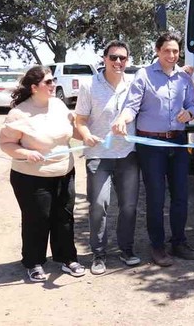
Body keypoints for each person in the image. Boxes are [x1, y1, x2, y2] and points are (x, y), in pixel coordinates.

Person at [112, 32, 194, 267]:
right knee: (156, 196)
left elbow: (192, 104)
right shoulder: (144, 75)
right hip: (151, 145)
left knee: (180, 195)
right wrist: (122, 119)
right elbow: (131, 106)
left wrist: (189, 113)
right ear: (157, 51)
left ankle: (179, 242)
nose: (172, 55)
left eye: (175, 51)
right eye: (167, 50)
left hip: (178, 142)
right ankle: (158, 246)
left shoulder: (184, 78)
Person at [0, 66, 85, 281]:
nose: (53, 85)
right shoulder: (19, 113)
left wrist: (88, 136)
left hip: (64, 172)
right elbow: (5, 143)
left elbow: (72, 130)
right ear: (34, 88)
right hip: (31, 178)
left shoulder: (58, 105)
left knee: (64, 217)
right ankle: (33, 262)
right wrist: (26, 153)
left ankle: (67, 259)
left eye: (53, 80)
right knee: (37, 219)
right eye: (48, 82)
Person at [75, 40, 140, 275]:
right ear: (104, 59)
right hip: (98, 156)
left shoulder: (134, 84)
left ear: (128, 60)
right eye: (113, 57)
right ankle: (99, 254)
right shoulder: (89, 85)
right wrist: (86, 135)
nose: (118, 62)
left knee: (129, 206)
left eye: (123, 58)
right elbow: (80, 120)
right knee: (98, 205)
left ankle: (126, 249)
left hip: (128, 154)